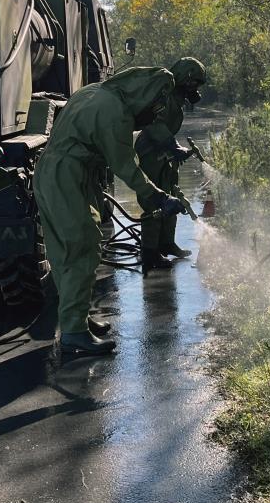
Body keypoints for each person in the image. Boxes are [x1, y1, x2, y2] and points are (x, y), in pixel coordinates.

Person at [36, 66, 186, 356]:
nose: (154, 113)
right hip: (67, 177)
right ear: (145, 94)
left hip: (54, 172)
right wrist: (157, 197)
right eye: (155, 104)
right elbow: (125, 166)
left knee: (65, 249)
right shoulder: (114, 111)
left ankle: (76, 316)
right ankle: (73, 333)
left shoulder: (93, 92)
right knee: (80, 250)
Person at [135, 57, 207, 273]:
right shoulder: (164, 98)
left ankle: (167, 243)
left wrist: (173, 151)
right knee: (154, 201)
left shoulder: (177, 99)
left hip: (165, 155)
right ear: (184, 79)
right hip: (151, 154)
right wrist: (174, 146)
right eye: (194, 83)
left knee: (172, 197)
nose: (196, 89)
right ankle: (150, 253)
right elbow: (154, 125)